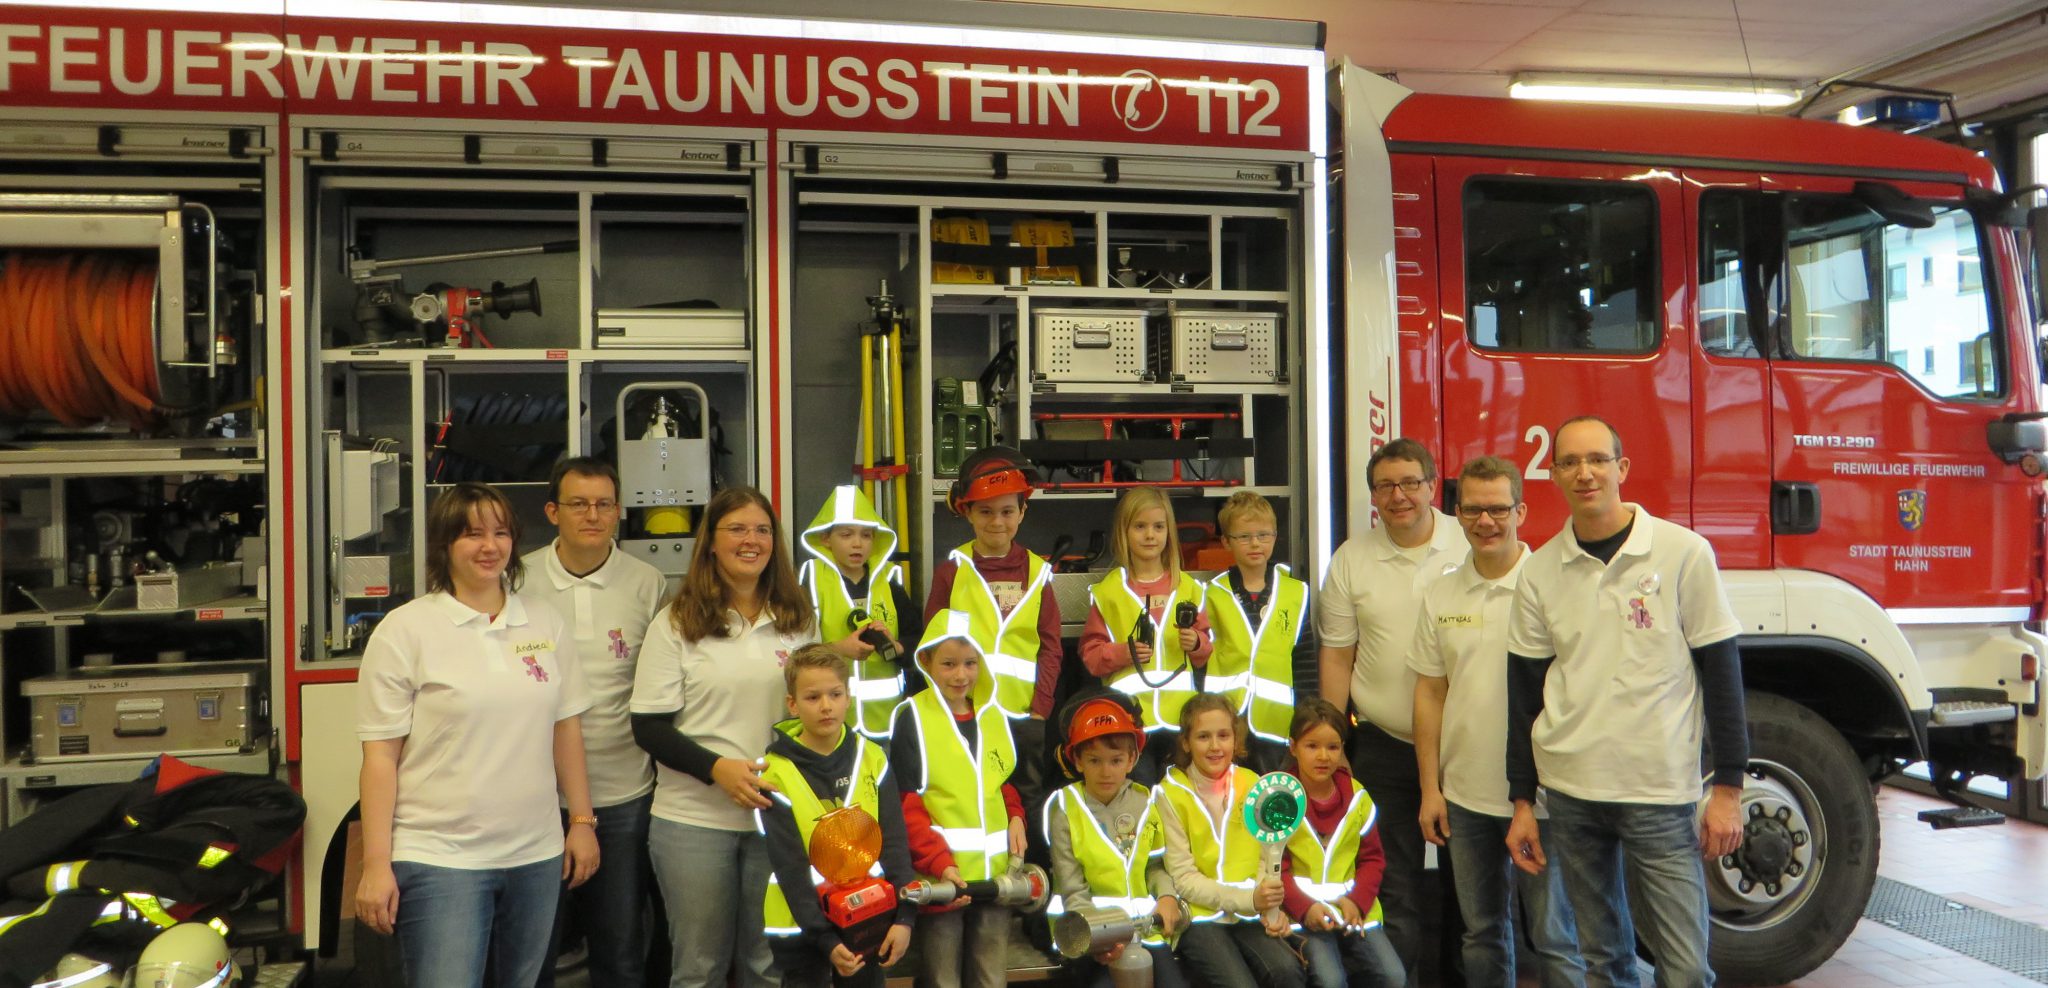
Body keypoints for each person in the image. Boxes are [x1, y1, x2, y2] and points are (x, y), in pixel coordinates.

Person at [1504, 417, 1747, 988]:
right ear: (1555, 473)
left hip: (1658, 792)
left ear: (1622, 468)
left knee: (1686, 970)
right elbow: (1523, 695)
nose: (1584, 473)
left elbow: (1722, 674)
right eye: (1569, 462)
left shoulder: (1683, 553)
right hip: (1571, 792)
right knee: (1605, 963)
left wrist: (1729, 788)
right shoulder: (1539, 571)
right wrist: (1521, 800)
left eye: (1597, 459)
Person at [354, 482, 599, 988]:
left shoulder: (545, 622)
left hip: (536, 855)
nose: (490, 547)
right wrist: (376, 865)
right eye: (472, 535)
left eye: (501, 533)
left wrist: (581, 821)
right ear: (445, 545)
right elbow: (380, 759)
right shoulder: (406, 630)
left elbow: (565, 727)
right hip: (441, 858)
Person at [631, 486, 817, 988]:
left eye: (761, 530)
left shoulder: (797, 621)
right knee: (699, 968)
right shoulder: (676, 623)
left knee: (766, 966)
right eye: (736, 529)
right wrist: (719, 771)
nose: (751, 540)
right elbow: (648, 726)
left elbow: (813, 714)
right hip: (693, 822)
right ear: (710, 542)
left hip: (775, 820)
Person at [1412, 455, 1585, 988]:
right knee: (1481, 932)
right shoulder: (1440, 593)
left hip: (1547, 797)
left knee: (1556, 935)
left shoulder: (1555, 589)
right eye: (1472, 510)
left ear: (1522, 511)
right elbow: (1430, 692)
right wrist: (1430, 790)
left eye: (1497, 509)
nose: (1485, 522)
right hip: (1465, 796)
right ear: (1456, 514)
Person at [1316, 437, 1468, 987]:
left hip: (1464, 746)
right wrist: (1332, 748)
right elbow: (1337, 656)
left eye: (1410, 482)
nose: (1399, 495)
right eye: (1385, 485)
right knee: (1395, 883)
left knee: (1470, 889)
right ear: (1372, 496)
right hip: (1383, 745)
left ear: (1432, 485)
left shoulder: (1469, 542)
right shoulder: (1352, 560)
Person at [522, 457, 669, 988]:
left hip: (624, 795)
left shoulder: (647, 583)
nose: (593, 514)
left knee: (620, 949)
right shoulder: (518, 578)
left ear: (619, 512)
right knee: (534, 950)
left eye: (605, 504)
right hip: (535, 799)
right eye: (579, 503)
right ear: (552, 512)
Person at [756, 644, 916, 988]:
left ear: (848, 697)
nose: (826, 706)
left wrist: (905, 917)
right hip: (802, 931)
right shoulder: (775, 774)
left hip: (869, 921)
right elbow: (790, 867)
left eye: (835, 694)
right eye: (812, 698)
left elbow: (895, 846)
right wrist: (826, 940)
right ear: (792, 704)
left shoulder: (874, 758)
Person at [890, 610, 1029, 988]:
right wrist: (938, 863)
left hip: (996, 875)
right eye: (948, 664)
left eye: (970, 663)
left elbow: (1000, 782)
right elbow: (906, 804)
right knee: (942, 978)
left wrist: (1016, 816)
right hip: (941, 881)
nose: (960, 675)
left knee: (990, 977)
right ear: (926, 663)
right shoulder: (913, 716)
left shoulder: (994, 716)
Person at [924, 448, 1063, 799]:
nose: (997, 522)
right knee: (972, 796)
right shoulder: (952, 573)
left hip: (1022, 717)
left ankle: (1026, 857)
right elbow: (930, 649)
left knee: (1027, 800)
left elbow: (1050, 648)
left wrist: (1039, 711)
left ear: (1022, 512)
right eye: (985, 511)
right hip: (965, 712)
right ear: (967, 512)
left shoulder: (1038, 574)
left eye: (1007, 511)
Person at [1157, 693, 1304, 988]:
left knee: (1287, 971)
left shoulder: (1252, 784)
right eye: (1203, 737)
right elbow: (1183, 878)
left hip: (1248, 914)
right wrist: (1249, 899)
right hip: (1199, 918)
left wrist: (1268, 905)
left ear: (1235, 739)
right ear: (1186, 742)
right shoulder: (1168, 793)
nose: (1215, 746)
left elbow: (1268, 856)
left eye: (1223, 735)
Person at [1043, 691, 1189, 988]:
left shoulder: (1145, 801)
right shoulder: (1064, 806)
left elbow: (1155, 866)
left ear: (1132, 759)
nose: (1106, 771)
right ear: (1078, 761)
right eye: (1094, 760)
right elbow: (1072, 888)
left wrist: (1166, 897)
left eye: (1116, 760)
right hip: (1087, 936)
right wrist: (1100, 937)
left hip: (1145, 932)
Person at [1080, 487, 1212, 784]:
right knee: (1139, 801)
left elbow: (1206, 651)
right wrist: (1123, 653)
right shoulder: (1109, 592)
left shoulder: (1189, 587)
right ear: (1123, 533)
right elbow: (1091, 656)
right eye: (1140, 527)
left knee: (1178, 801)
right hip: (1130, 723)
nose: (1150, 535)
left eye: (1158, 526)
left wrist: (1197, 644)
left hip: (1181, 722)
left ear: (1169, 532)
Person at [1282, 697, 1404, 988]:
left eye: (1333, 747)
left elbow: (1373, 859)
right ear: (1293, 747)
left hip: (1353, 908)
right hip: (1302, 913)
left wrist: (1357, 902)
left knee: (1393, 976)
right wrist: (1305, 908)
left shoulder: (1358, 797)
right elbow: (1275, 867)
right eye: (1312, 746)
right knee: (1330, 980)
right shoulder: (1279, 798)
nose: (1323, 756)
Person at [1205, 490, 1317, 774]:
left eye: (1263, 535)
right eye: (1244, 537)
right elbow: (1201, 660)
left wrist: (1307, 721)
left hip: (1277, 725)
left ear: (1275, 537)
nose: (1255, 543)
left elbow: (1303, 661)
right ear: (1226, 542)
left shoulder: (1294, 592)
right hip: (1224, 725)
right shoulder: (1212, 593)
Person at [797, 484, 921, 739]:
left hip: (887, 721)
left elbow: (919, 640)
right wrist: (838, 650)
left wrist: (897, 648)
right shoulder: (811, 581)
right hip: (828, 722)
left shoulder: (890, 580)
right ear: (825, 539)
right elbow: (793, 651)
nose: (857, 544)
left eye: (866, 535)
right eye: (846, 535)